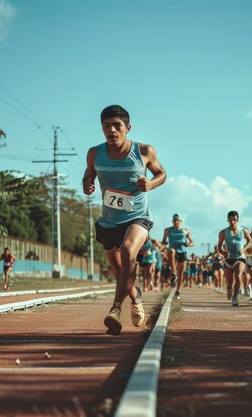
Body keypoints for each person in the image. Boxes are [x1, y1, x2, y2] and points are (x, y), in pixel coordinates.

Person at [83, 104, 166, 336]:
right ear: (102, 128)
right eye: (107, 126)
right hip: (109, 221)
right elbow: (88, 174)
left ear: (127, 128)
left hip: (138, 217)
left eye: (117, 125)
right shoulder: (94, 153)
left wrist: (150, 183)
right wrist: (87, 184)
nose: (112, 130)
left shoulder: (143, 151)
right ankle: (135, 297)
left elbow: (162, 174)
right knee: (120, 271)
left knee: (129, 250)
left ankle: (115, 310)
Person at [217, 211, 252, 307]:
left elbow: (250, 240)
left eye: (234, 220)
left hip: (240, 258)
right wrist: (224, 253)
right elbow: (219, 247)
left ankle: (235, 296)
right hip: (228, 259)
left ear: (237, 220)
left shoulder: (243, 231)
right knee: (230, 280)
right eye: (230, 220)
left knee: (238, 276)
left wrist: (243, 249)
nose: (232, 222)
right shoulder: (223, 232)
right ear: (227, 220)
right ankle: (229, 288)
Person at [162, 214, 194, 299]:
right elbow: (163, 241)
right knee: (171, 251)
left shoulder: (185, 230)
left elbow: (192, 242)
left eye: (178, 220)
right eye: (174, 220)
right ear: (172, 221)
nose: (176, 222)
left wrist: (188, 244)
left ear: (181, 221)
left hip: (182, 253)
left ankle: (178, 291)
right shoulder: (167, 230)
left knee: (181, 275)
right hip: (172, 251)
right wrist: (164, 243)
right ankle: (173, 272)